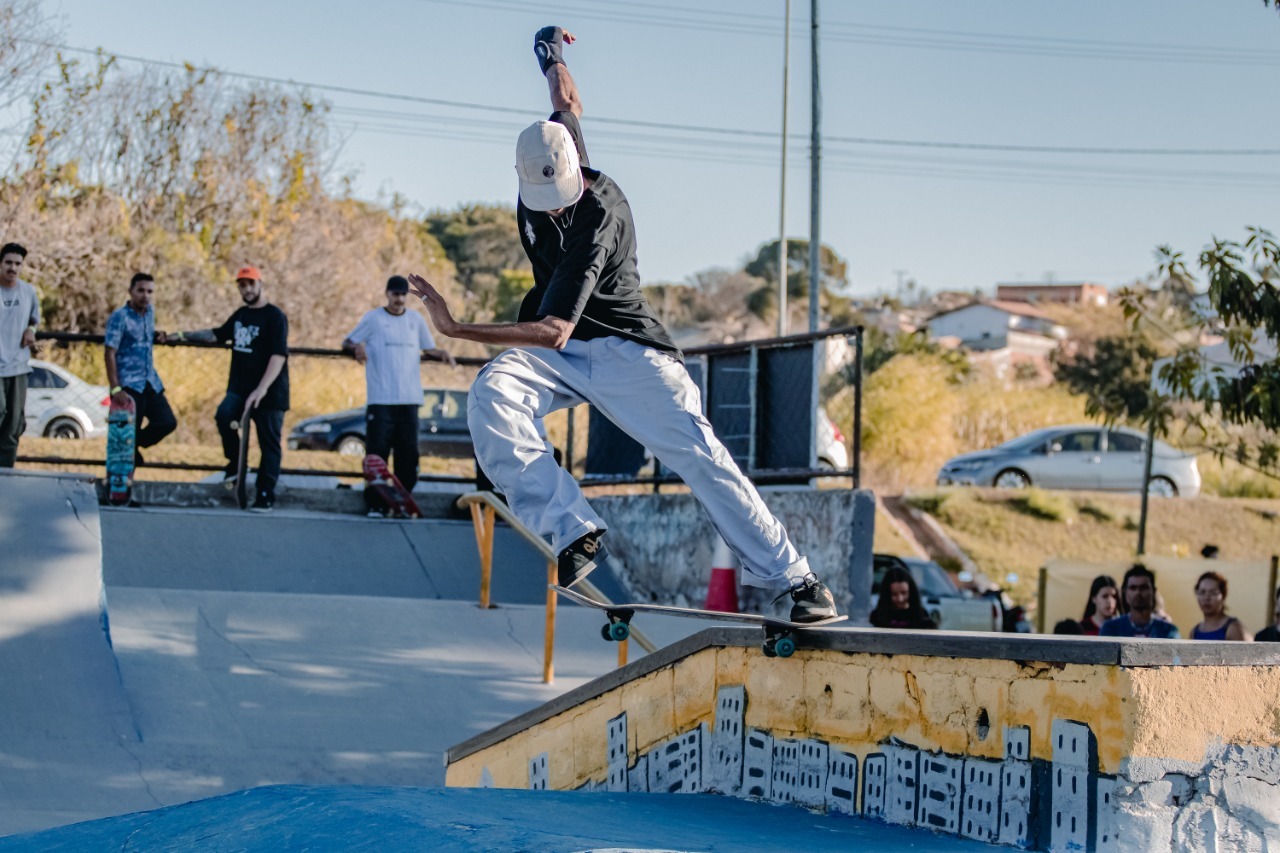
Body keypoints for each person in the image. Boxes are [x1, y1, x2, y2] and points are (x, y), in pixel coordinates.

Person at [406, 26, 838, 623]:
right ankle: (572, 531)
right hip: (562, 355)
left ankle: (798, 581)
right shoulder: (554, 148)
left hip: (629, 353)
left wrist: (457, 329)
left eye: (561, 196)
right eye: (545, 198)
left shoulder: (599, 212)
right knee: (491, 394)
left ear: (574, 174)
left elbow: (555, 327)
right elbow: (566, 102)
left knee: (703, 460)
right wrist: (550, 52)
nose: (555, 207)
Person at [174, 266, 288, 512]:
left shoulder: (275, 316)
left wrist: (262, 389)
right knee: (224, 416)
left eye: (250, 284)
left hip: (270, 392)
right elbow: (216, 335)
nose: (246, 289)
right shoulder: (240, 316)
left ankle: (265, 494)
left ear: (260, 284)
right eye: (242, 285)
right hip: (239, 388)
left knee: (269, 444)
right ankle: (236, 463)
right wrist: (181, 335)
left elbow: (279, 356)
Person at [343, 275, 455, 507]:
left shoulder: (415, 319)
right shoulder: (373, 318)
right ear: (387, 294)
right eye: (395, 294)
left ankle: (403, 499)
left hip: (409, 399)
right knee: (378, 454)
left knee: (408, 454)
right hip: (381, 399)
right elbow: (348, 341)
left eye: (403, 294)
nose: (399, 299)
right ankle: (375, 502)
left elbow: (428, 348)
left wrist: (442, 354)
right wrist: (358, 347)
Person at [104, 273, 178, 463]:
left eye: (149, 291)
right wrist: (115, 388)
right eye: (141, 290)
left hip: (149, 382)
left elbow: (142, 335)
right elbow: (109, 352)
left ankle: (135, 443)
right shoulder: (119, 317)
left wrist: (157, 334)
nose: (145, 295)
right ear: (131, 291)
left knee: (167, 422)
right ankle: (120, 489)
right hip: (128, 385)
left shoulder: (150, 312)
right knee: (125, 451)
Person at [0, 242, 38, 468]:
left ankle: (5, 475)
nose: (13, 268)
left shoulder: (28, 292)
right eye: (8, 263)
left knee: (14, 422)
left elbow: (34, 321)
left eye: (17, 263)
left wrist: (31, 330)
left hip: (18, 366)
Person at [1099, 564, 1181, 638]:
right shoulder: (1110, 629)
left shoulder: (1168, 631)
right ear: (1125, 592)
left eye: (1143, 587)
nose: (1138, 592)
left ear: (1153, 591)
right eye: (1133, 588)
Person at [1189, 571, 1251, 641]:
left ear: (1223, 596)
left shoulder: (1234, 628)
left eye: (1213, 593)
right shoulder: (1194, 632)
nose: (1207, 598)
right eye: (1202, 592)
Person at [869, 567, 937, 630]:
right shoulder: (876, 617)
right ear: (887, 594)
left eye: (904, 593)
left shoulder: (922, 616)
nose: (900, 599)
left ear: (911, 591)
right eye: (894, 594)